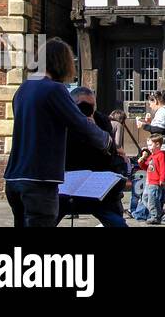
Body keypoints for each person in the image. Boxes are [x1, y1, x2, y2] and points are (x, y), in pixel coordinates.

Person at [4, 37, 114, 227]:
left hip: (14, 178)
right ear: (62, 63)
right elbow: (80, 124)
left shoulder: (22, 89)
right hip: (39, 179)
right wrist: (107, 142)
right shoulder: (54, 89)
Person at [59, 86, 129, 227]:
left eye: (92, 106)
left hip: (95, 181)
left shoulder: (101, 120)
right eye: (83, 106)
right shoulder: (63, 121)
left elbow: (109, 152)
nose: (88, 110)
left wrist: (93, 127)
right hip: (68, 180)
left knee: (117, 221)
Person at [138, 89, 165, 222]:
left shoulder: (162, 111)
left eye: (150, 103)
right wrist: (151, 122)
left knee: (153, 184)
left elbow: (160, 130)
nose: (150, 106)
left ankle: (152, 213)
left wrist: (144, 126)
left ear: (156, 101)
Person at [138, 133, 165, 224]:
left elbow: (163, 168)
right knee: (145, 198)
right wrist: (142, 160)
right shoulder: (151, 156)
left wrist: (162, 179)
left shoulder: (160, 155)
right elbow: (146, 167)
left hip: (155, 182)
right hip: (148, 181)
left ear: (158, 145)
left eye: (150, 145)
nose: (149, 147)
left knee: (152, 199)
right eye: (148, 145)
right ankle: (158, 212)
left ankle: (155, 216)